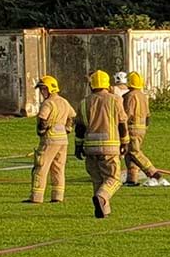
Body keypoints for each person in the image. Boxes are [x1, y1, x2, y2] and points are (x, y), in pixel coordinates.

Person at [74, 69, 128, 219]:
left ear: (91, 85)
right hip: (110, 146)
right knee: (113, 178)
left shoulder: (84, 102)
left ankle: (104, 210)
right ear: (107, 84)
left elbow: (80, 127)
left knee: (97, 178)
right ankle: (102, 196)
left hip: (90, 147)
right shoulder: (115, 100)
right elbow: (122, 123)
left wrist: (78, 146)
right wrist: (125, 142)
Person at [25, 75, 74, 204]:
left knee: (41, 167)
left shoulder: (48, 103)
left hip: (49, 140)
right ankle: (57, 196)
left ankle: (36, 197)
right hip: (63, 140)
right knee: (58, 168)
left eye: (43, 89)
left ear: (50, 89)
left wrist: (41, 130)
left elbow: (42, 119)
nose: (42, 92)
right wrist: (68, 128)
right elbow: (72, 116)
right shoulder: (64, 101)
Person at [121, 71, 168, 187]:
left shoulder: (130, 96)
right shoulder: (143, 96)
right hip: (142, 127)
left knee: (134, 152)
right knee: (129, 153)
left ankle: (154, 174)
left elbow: (127, 114)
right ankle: (132, 179)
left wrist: (122, 128)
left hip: (132, 128)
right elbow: (148, 115)